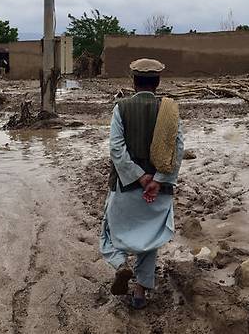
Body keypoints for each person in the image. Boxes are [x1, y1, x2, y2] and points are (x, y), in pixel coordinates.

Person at [99, 58, 184, 310]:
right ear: (157, 82)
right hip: (158, 192)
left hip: (125, 187)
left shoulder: (121, 107)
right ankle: (139, 292)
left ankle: (120, 265)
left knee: (108, 230)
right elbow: (177, 149)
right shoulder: (169, 109)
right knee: (150, 239)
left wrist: (138, 176)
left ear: (133, 81)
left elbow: (116, 148)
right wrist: (158, 180)